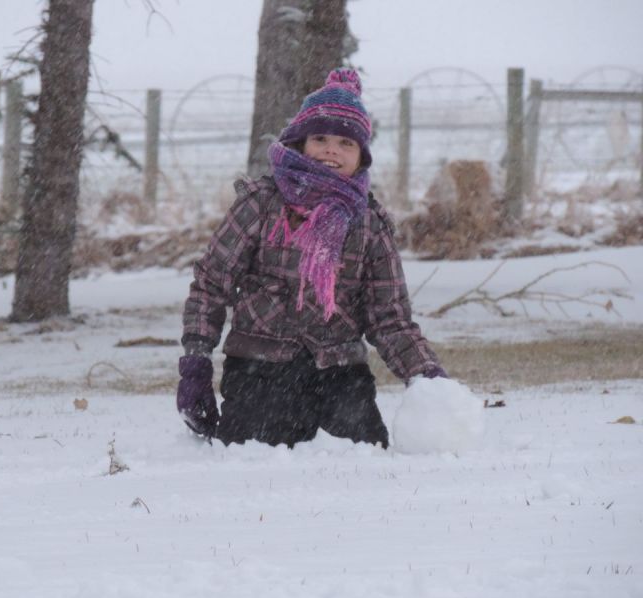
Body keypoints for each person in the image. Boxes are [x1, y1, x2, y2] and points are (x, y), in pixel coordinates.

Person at [176, 68, 447, 449]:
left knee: (360, 455)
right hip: (260, 367)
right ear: (301, 143)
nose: (331, 150)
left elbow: (390, 319)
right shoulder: (260, 204)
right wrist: (197, 362)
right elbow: (211, 284)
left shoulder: (369, 224)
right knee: (253, 454)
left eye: (345, 143)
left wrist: (428, 378)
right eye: (320, 138)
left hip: (339, 373)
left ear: (361, 156)